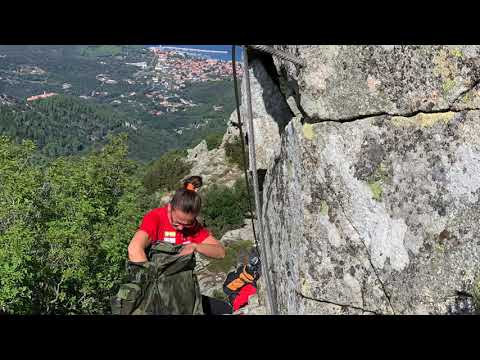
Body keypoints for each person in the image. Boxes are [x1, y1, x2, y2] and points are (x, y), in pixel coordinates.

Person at [128, 175, 225, 262]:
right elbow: (134, 248)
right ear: (170, 208)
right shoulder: (155, 217)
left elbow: (220, 252)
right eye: (177, 223)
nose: (181, 228)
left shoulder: (194, 226)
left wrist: (195, 246)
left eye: (187, 224)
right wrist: (149, 278)